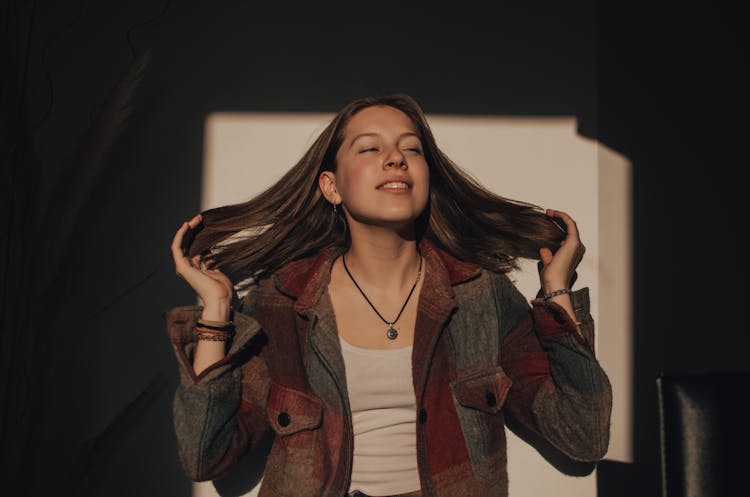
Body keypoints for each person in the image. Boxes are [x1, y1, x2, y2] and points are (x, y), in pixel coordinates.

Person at [164, 93, 612, 497]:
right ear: (331, 187)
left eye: (411, 148)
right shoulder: (280, 303)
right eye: (370, 148)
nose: (396, 158)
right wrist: (217, 313)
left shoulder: (482, 298)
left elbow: (583, 434)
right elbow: (206, 455)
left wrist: (557, 289)